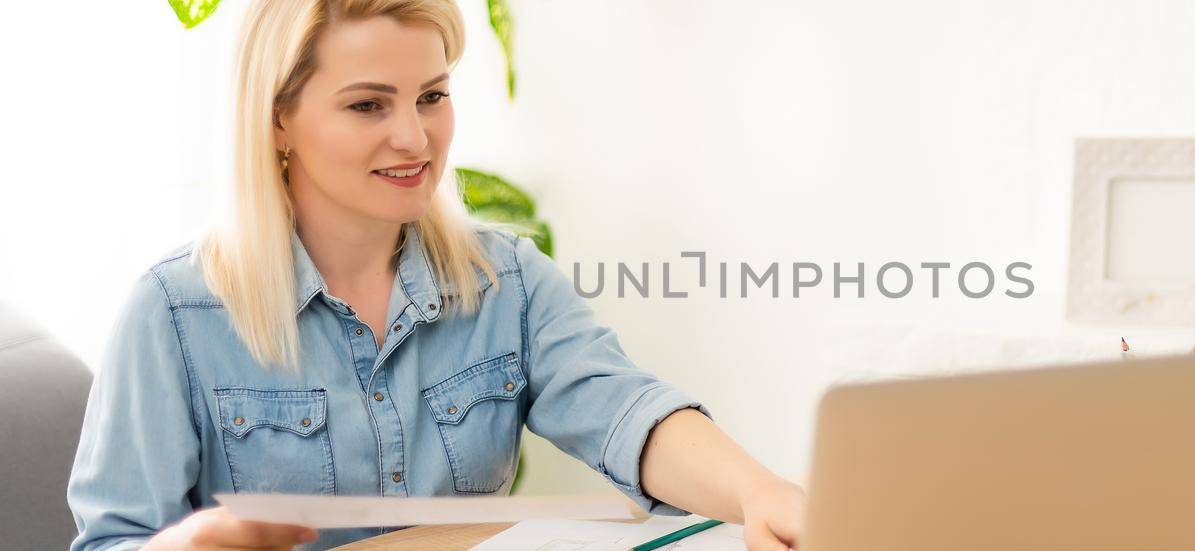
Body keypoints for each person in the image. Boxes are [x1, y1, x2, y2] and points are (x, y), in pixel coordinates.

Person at [66, 1, 804, 549]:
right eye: (368, 105)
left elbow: (625, 411)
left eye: (432, 95)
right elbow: (112, 539)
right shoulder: (173, 312)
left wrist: (758, 490)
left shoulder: (505, 279)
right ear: (278, 120)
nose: (416, 138)